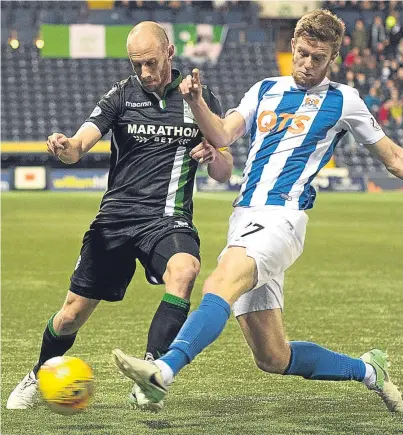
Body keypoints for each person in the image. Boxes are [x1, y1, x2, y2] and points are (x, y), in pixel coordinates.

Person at [112, 10, 403, 413]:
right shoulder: (264, 89)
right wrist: (196, 102)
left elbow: (392, 158)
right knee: (272, 356)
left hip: (282, 219)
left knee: (218, 283)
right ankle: (371, 371)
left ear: (332, 58)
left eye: (317, 58)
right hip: (244, 218)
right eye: (301, 53)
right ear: (293, 46)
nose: (306, 64)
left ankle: (162, 371)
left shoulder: (344, 101)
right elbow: (222, 133)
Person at [6, 21, 233, 411]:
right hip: (115, 219)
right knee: (70, 317)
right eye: (136, 65)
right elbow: (79, 145)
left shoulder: (199, 97)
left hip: (168, 217)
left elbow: (225, 169)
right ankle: (38, 372)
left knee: (185, 270)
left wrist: (213, 155)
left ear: (170, 54)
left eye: (151, 62)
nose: (145, 73)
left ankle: (151, 373)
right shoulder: (121, 96)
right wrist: (64, 147)